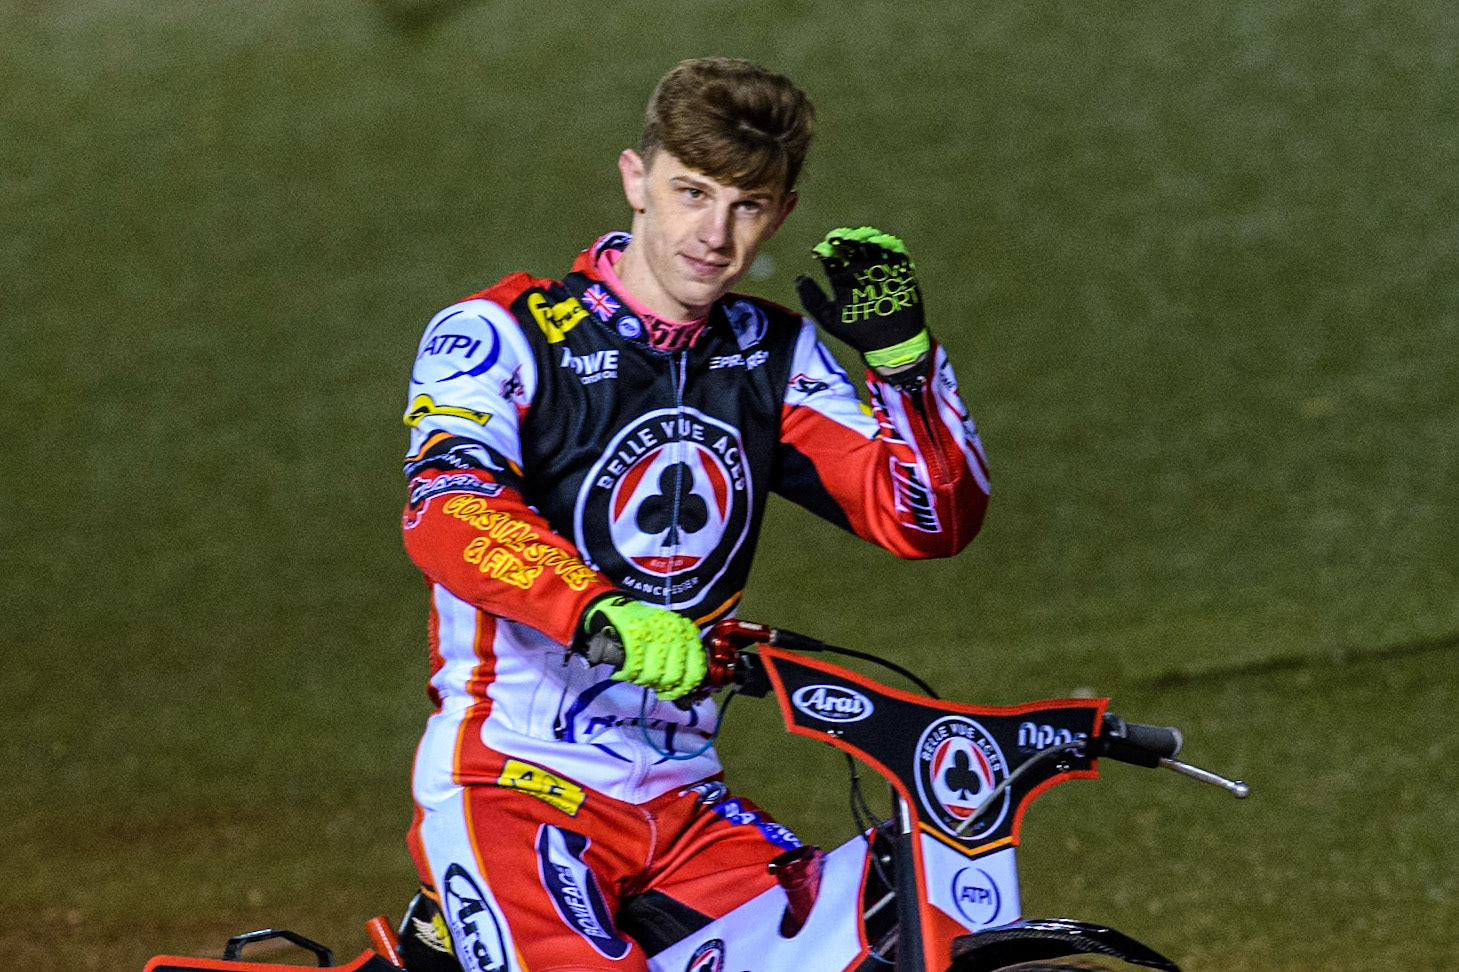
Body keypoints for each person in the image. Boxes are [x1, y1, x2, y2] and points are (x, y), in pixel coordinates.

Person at [398, 56, 990, 972]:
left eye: (747, 205)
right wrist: (596, 612)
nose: (713, 234)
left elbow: (925, 523)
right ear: (636, 181)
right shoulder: (498, 333)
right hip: (511, 788)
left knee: (889, 941)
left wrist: (906, 371)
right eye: (691, 191)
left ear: (782, 214)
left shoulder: (770, 352)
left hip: (682, 803)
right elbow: (448, 510)